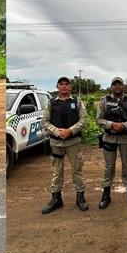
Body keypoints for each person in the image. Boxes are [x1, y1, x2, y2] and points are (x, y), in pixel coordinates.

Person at [41, 76, 88, 214]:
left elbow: (83, 120)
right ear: (57, 87)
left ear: (70, 87)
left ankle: (80, 198)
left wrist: (70, 131)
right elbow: (44, 121)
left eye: (66, 84)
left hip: (73, 142)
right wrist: (56, 131)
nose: (64, 86)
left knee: (77, 170)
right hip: (56, 143)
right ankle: (56, 199)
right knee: (57, 172)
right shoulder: (51, 102)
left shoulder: (77, 101)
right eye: (61, 84)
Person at [95, 77, 127, 208]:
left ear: (123, 86)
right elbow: (98, 120)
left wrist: (124, 125)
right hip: (109, 138)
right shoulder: (104, 101)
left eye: (119, 84)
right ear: (111, 87)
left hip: (126, 138)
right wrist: (112, 124)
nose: (117, 86)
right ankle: (106, 195)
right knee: (109, 167)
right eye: (115, 84)